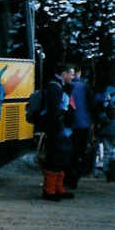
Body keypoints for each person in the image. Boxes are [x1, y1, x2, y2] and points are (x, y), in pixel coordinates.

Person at [40, 62, 75, 201]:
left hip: (56, 127)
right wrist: (57, 126)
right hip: (55, 128)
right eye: (71, 74)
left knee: (60, 157)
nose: (72, 77)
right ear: (63, 74)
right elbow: (54, 111)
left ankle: (57, 188)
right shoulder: (54, 87)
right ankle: (50, 190)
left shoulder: (57, 85)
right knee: (55, 158)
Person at [65, 68, 92, 189]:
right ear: (79, 73)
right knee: (79, 152)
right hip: (83, 124)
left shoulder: (65, 85)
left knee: (68, 152)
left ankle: (66, 177)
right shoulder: (85, 86)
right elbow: (92, 104)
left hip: (68, 125)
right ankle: (74, 178)